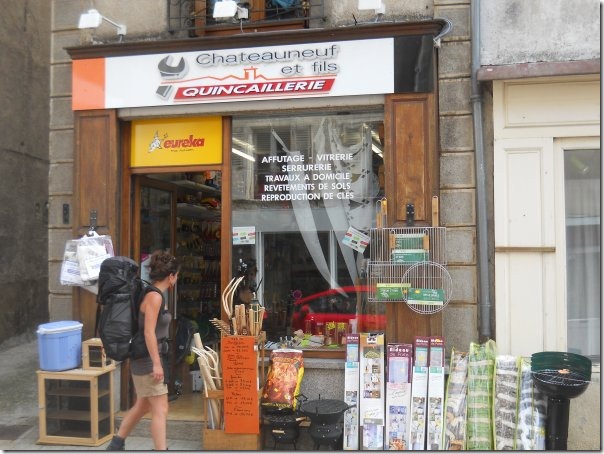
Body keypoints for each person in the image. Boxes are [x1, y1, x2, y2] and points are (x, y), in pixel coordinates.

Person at [106, 250, 180, 451]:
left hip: (147, 357)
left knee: (143, 405)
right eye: (176, 275)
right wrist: (157, 364)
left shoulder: (153, 294)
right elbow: (148, 332)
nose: (176, 279)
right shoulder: (154, 297)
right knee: (160, 408)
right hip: (148, 359)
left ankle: (116, 444)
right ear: (171, 276)